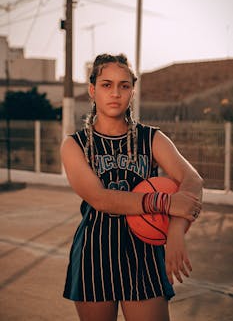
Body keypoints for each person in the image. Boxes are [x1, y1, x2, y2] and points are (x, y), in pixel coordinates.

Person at [61, 53, 203, 321]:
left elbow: (193, 180)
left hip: (145, 254)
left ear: (132, 91)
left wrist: (176, 230)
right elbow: (101, 199)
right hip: (96, 253)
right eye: (106, 85)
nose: (115, 93)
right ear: (92, 91)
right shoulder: (74, 145)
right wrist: (165, 203)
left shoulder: (152, 138)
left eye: (124, 85)